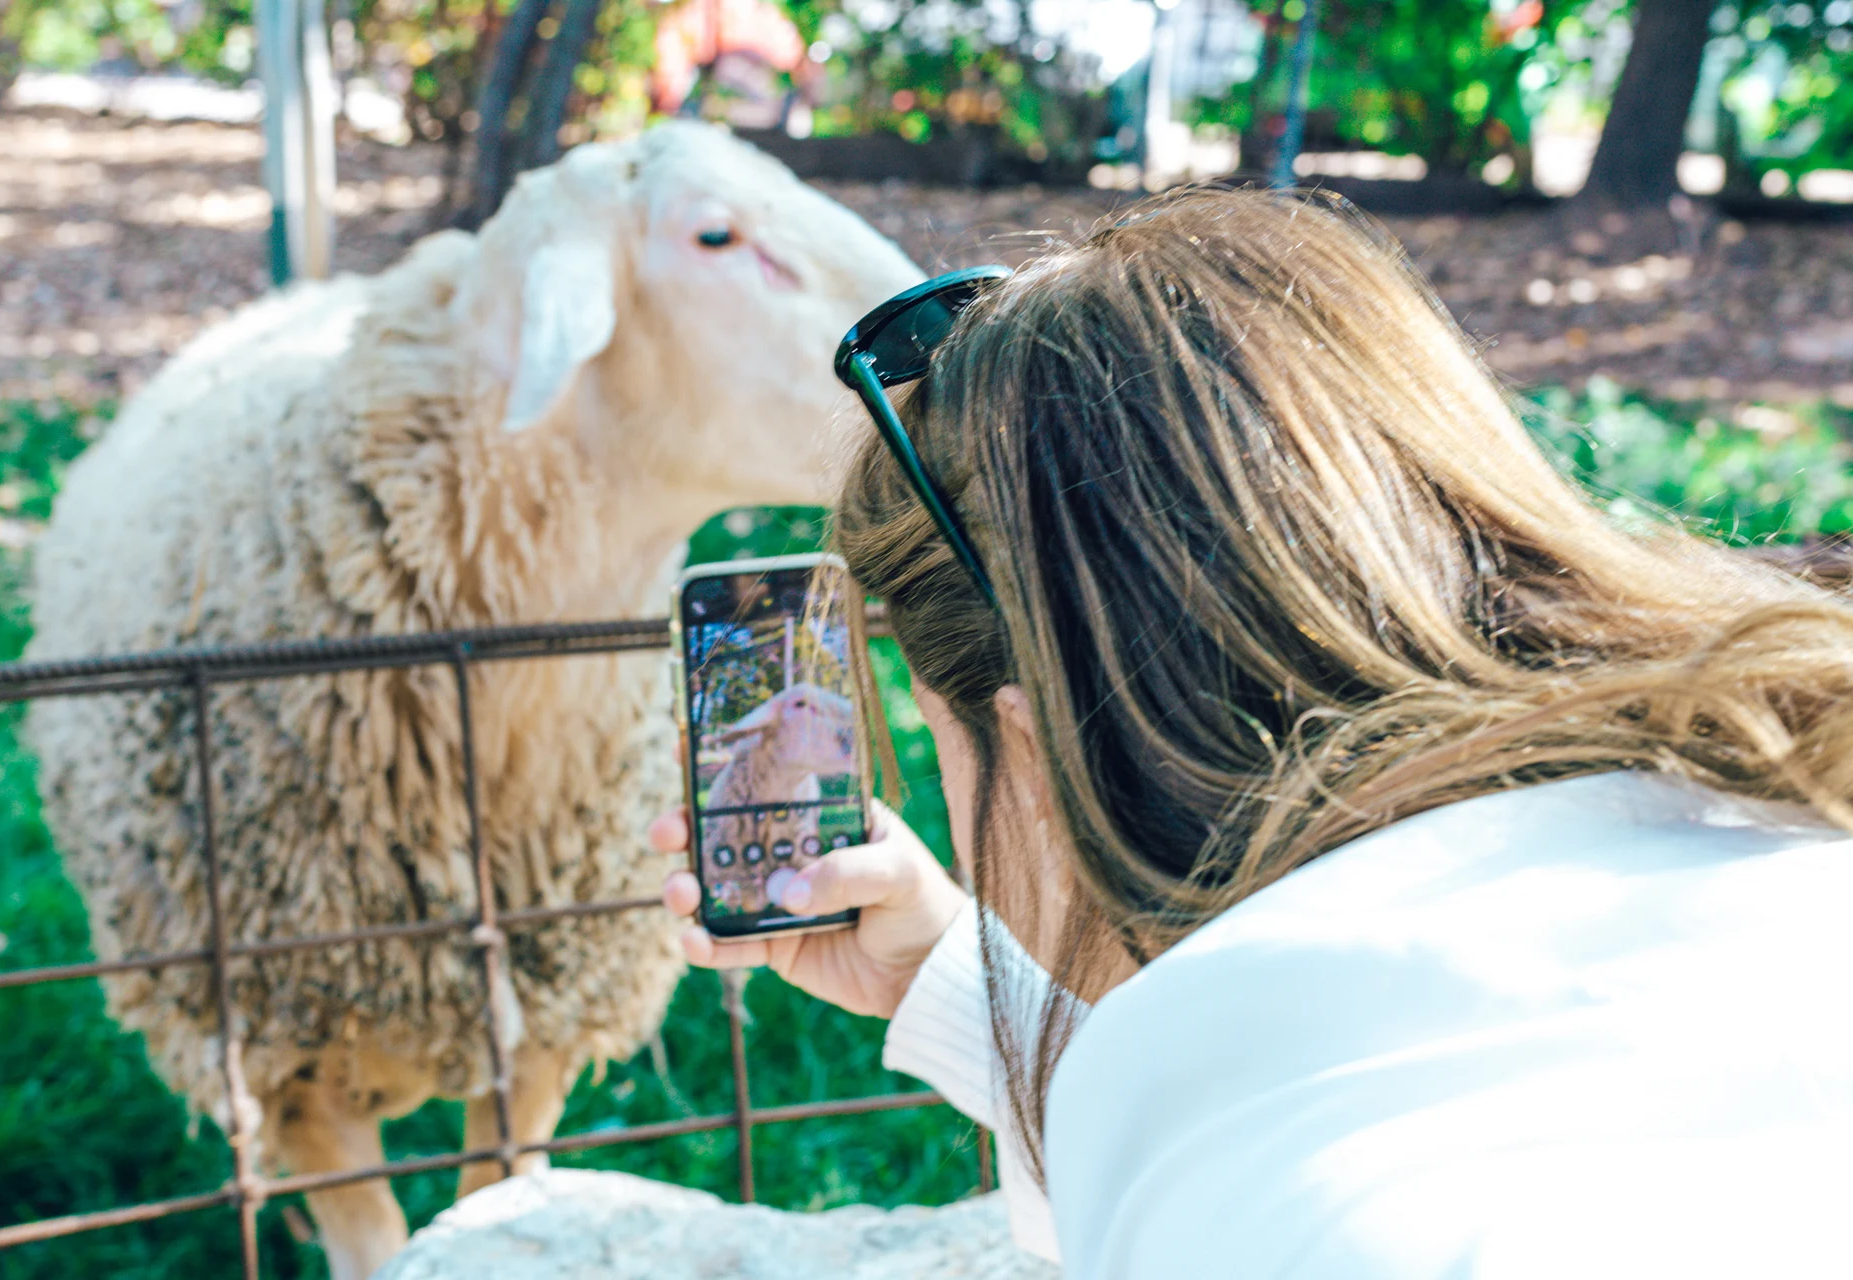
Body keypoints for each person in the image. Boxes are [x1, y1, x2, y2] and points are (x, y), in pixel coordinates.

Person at [652, 187, 1853, 1277]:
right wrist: (954, 979)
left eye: (940, 735)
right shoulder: (1776, 837)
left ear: (1034, 743)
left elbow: (1248, 1153)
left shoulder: (1296, 1199)